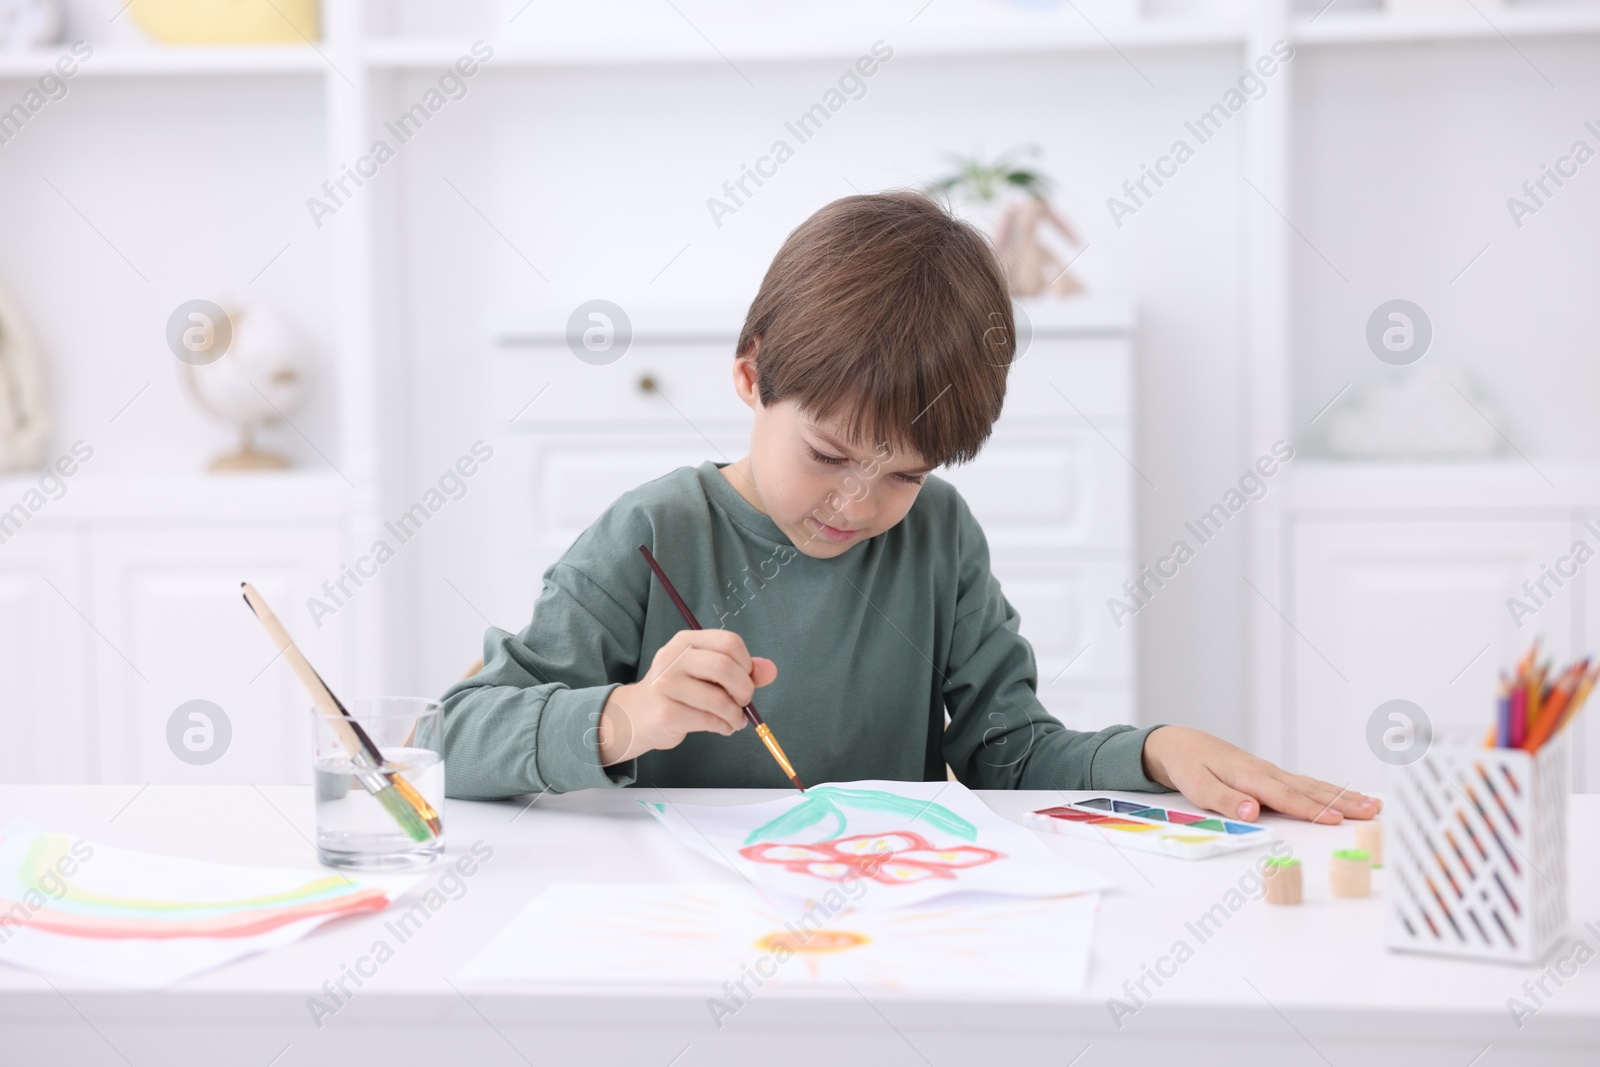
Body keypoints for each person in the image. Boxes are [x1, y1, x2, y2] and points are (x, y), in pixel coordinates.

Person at [440, 191, 1379, 826]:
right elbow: (450, 740)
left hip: (885, 924)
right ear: (750, 373)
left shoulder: (940, 536)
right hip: (685, 934)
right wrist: (631, 716)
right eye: (829, 455)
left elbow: (1009, 754)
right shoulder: (651, 533)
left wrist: (1157, 751)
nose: (856, 502)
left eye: (903, 474)